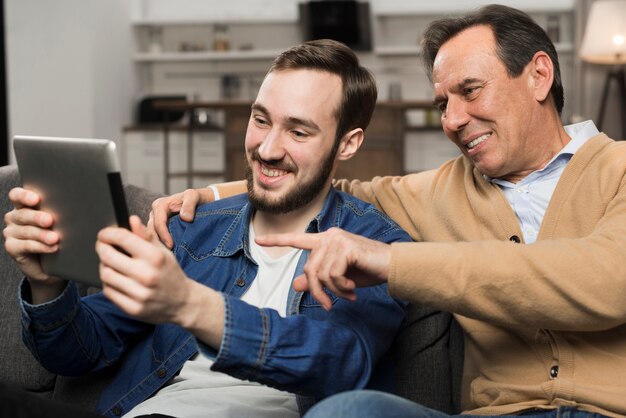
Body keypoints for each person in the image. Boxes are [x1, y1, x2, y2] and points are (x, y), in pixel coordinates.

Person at [149, 4, 626, 418]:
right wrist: (210, 195)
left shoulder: (619, 167)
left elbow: (606, 279)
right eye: (443, 103)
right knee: (348, 410)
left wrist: (392, 264)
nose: (453, 120)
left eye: (471, 90)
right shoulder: (438, 189)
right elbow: (323, 178)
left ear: (539, 75)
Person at [2, 39, 412, 418]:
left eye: (298, 131)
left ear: (347, 144)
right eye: (261, 120)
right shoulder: (191, 228)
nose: (267, 149)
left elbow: (338, 363)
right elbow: (78, 353)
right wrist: (48, 284)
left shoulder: (375, 246)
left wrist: (190, 304)